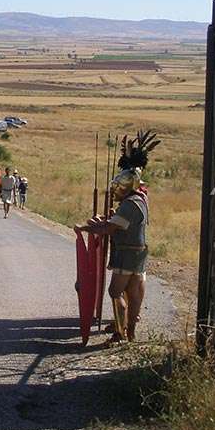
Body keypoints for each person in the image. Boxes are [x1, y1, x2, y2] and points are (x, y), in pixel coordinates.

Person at [74, 130, 158, 344]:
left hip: (127, 254)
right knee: (132, 293)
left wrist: (87, 228)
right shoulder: (140, 199)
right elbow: (117, 224)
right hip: (137, 253)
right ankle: (128, 332)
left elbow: (110, 230)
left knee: (115, 291)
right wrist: (107, 221)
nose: (115, 191)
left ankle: (121, 333)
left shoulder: (129, 205)